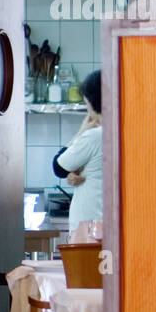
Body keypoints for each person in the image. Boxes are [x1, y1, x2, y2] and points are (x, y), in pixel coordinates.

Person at [52, 69, 103, 230]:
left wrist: (80, 132)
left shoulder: (94, 136)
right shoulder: (126, 131)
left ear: (92, 102)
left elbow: (59, 167)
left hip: (92, 227)